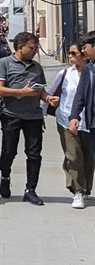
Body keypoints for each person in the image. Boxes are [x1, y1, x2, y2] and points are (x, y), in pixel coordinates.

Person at [0, 32, 59, 205]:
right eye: (32, 47)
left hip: (34, 116)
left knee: (34, 154)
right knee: (9, 151)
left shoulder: (37, 67)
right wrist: (20, 92)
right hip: (11, 115)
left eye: (36, 47)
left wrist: (48, 98)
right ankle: (5, 176)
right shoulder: (4, 63)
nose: (35, 51)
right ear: (20, 47)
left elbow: (41, 90)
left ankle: (31, 190)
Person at [54, 44, 94, 208]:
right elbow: (79, 97)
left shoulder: (89, 70)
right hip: (67, 120)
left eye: (74, 53)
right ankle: (78, 191)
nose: (70, 56)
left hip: (89, 123)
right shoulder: (66, 73)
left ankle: (85, 189)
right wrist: (73, 116)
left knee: (89, 158)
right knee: (74, 156)